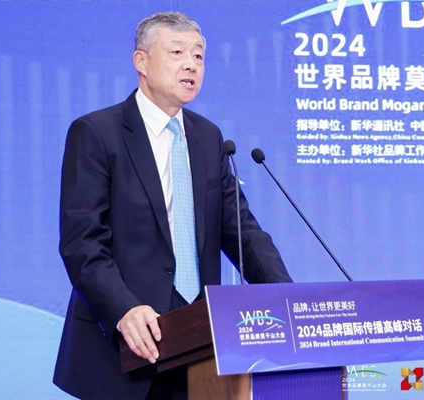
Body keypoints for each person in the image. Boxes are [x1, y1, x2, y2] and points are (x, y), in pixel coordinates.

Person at [53, 11, 292, 400]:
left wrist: (289, 300)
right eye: (177, 52)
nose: (191, 65)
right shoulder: (97, 133)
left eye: (198, 55)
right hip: (125, 349)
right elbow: (82, 242)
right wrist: (123, 310)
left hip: (201, 348)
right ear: (141, 61)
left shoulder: (208, 137)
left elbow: (242, 231)